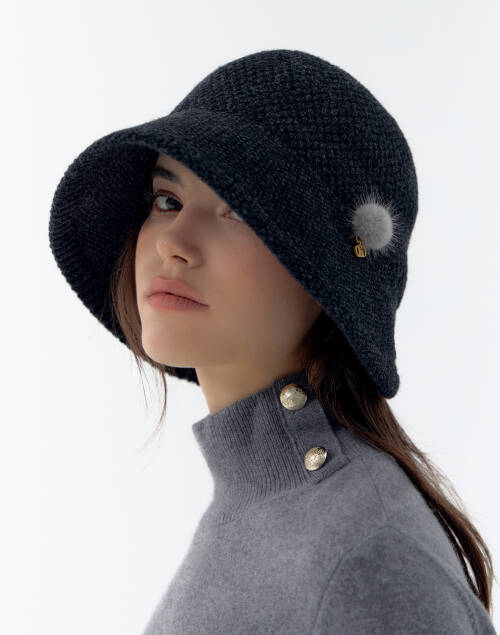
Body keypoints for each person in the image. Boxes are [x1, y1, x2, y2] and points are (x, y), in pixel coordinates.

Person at [48, 48, 497, 634]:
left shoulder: (368, 557)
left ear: (329, 278)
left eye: (239, 211)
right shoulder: (261, 509)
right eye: (167, 201)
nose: (172, 242)